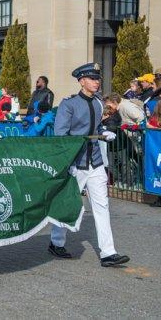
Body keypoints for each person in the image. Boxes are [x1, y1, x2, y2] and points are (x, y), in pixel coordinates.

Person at [48, 63, 130, 267]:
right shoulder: (69, 104)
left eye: (98, 78)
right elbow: (61, 135)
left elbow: (97, 125)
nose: (96, 82)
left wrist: (103, 132)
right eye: (92, 78)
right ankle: (56, 242)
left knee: (102, 206)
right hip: (76, 162)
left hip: (95, 161)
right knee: (68, 204)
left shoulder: (98, 103)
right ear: (81, 81)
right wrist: (70, 160)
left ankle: (108, 252)